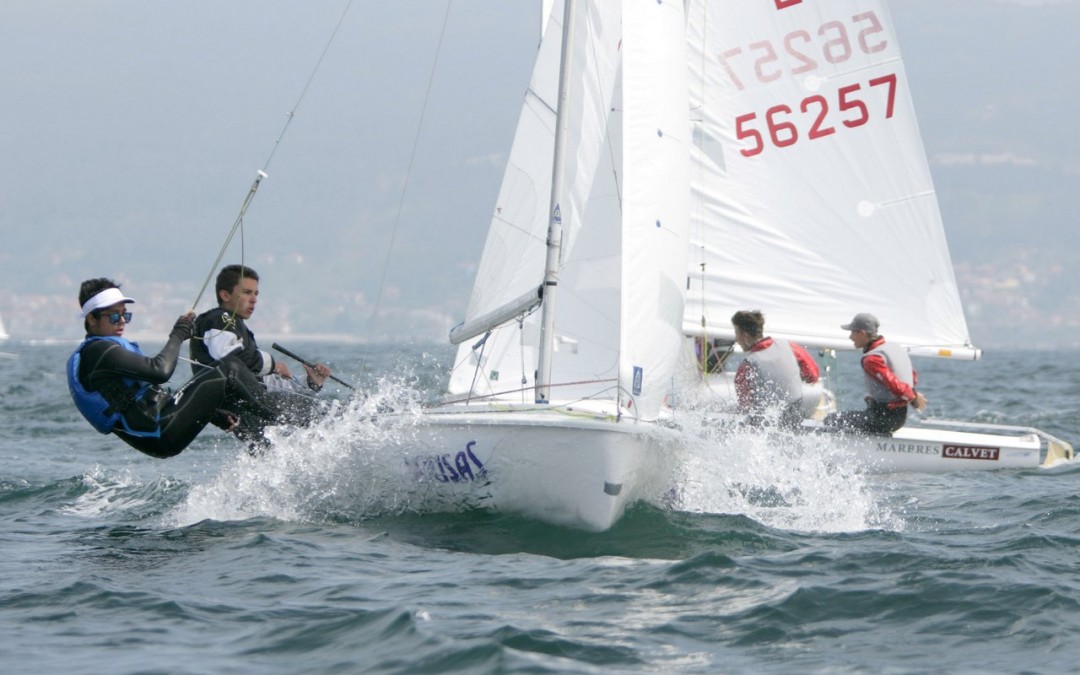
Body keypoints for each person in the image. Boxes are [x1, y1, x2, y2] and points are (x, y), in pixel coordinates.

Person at [66, 278, 286, 459]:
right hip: (160, 432)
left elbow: (150, 395)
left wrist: (212, 413)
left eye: (126, 315)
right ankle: (289, 420)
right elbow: (159, 371)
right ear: (92, 319)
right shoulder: (97, 352)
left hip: (157, 430)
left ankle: (267, 455)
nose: (122, 321)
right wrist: (178, 334)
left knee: (225, 389)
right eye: (115, 316)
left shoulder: (100, 351)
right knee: (230, 368)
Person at [190, 264, 332, 441]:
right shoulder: (219, 319)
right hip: (244, 408)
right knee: (330, 417)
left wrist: (312, 384)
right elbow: (230, 360)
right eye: (247, 292)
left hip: (252, 410)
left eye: (256, 294)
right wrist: (272, 364)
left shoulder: (236, 328)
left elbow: (257, 378)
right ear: (225, 295)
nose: (254, 299)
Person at [824, 312, 928, 435]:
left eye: (852, 332)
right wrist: (912, 394)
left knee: (830, 420)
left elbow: (893, 383)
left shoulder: (872, 359)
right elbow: (912, 376)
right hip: (898, 417)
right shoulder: (894, 347)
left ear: (862, 333)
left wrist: (913, 397)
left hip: (884, 419)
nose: (850, 337)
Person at [730, 310, 820, 429]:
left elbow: (745, 406)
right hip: (793, 424)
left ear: (745, 336)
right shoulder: (789, 346)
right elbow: (813, 376)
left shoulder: (747, 365)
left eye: (737, 333)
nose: (736, 340)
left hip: (763, 431)